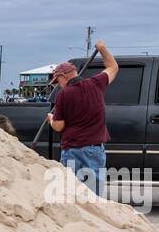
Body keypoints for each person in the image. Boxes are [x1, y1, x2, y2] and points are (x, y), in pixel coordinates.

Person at [46, 39, 119, 197]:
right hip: (96, 150)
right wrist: (102, 49)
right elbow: (113, 67)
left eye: (57, 80)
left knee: (72, 196)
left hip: (74, 150)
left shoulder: (64, 95)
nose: (58, 84)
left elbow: (58, 126)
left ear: (64, 77)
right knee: (94, 198)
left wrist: (51, 118)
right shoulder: (96, 83)